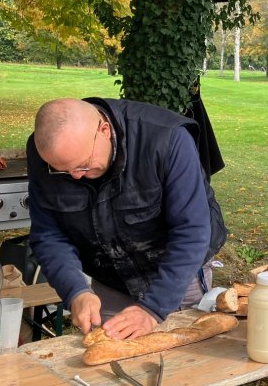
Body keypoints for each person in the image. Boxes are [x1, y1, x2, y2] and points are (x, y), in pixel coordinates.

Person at [27, 97, 228, 340]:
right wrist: (76, 291)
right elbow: (49, 235)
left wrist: (153, 308)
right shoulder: (47, 154)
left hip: (178, 274)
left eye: (83, 165)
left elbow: (192, 232)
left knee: (186, 361)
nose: (75, 177)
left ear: (104, 130)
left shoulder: (166, 139)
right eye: (63, 171)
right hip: (110, 276)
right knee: (116, 360)